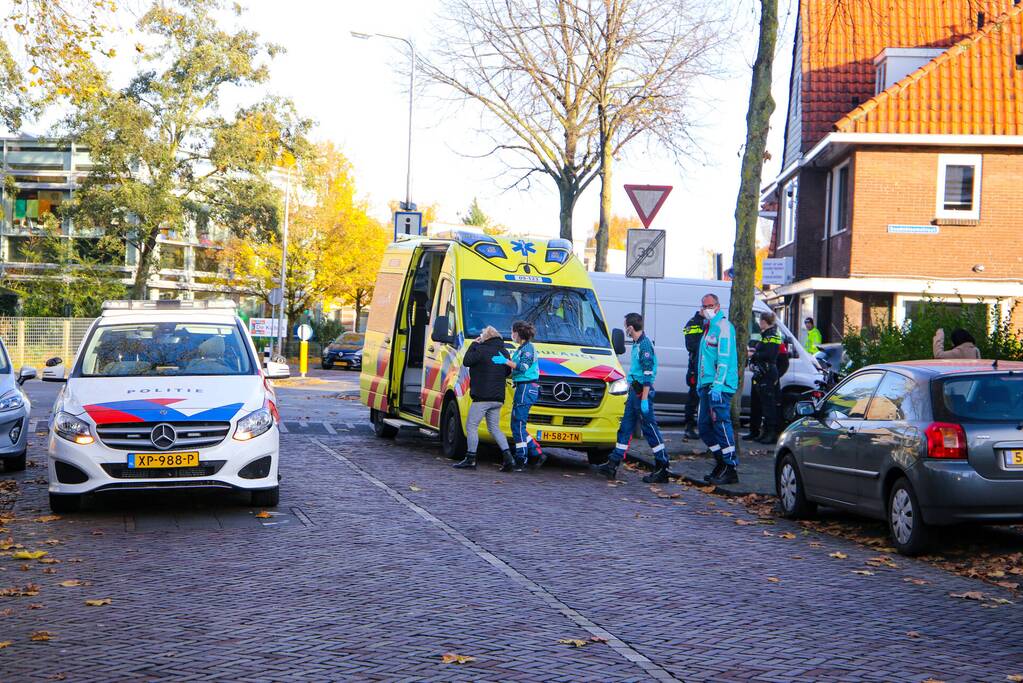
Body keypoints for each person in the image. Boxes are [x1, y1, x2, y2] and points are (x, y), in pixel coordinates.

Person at [594, 312, 670, 483]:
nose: (625, 331)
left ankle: (663, 466)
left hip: (641, 393)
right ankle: (613, 463)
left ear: (630, 327)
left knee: (650, 429)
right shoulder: (638, 344)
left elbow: (648, 374)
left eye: (625, 327)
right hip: (635, 393)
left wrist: (644, 398)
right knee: (625, 428)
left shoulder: (644, 345)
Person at [454, 326, 513, 470]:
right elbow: (507, 372)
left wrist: (474, 344)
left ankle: (470, 459)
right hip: (498, 398)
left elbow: (467, 361)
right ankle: (508, 458)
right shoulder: (504, 352)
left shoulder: (480, 350)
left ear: (485, 337)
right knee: (494, 428)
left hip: (482, 396)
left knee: (471, 426)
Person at [697, 293, 740, 485]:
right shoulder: (708, 327)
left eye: (710, 305)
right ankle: (721, 461)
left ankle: (730, 467)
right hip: (707, 385)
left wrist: (718, 384)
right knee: (704, 427)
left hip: (720, 386)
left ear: (718, 306)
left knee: (721, 424)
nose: (707, 309)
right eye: (704, 306)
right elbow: (704, 358)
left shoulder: (724, 327)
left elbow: (724, 358)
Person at [493, 320, 544, 471]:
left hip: (526, 388)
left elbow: (523, 367)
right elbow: (516, 372)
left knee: (518, 425)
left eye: (512, 332)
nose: (511, 335)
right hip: (523, 388)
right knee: (517, 424)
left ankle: (521, 459)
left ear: (517, 333)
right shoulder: (521, 348)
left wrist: (505, 361)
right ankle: (536, 453)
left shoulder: (528, 349)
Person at [745, 312, 783, 445]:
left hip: (767, 374)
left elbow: (770, 355)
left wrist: (753, 354)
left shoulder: (773, 336)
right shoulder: (765, 335)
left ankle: (770, 434)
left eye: (760, 320)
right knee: (756, 404)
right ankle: (757, 432)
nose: (759, 323)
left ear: (764, 321)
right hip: (760, 373)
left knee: (768, 406)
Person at [682, 309, 706, 440]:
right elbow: (690, 345)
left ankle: (704, 427)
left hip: (707, 368)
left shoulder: (711, 323)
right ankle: (689, 427)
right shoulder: (692, 323)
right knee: (693, 399)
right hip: (695, 367)